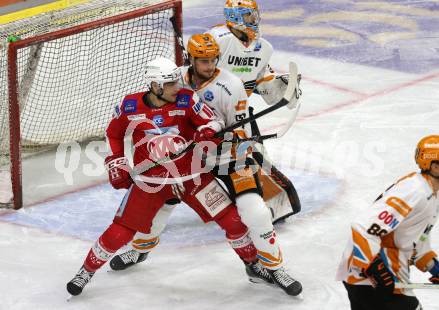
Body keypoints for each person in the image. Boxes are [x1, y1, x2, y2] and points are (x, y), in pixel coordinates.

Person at [109, 35, 302, 297]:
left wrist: (227, 139)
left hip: (227, 156)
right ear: (191, 59)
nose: (209, 65)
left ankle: (271, 267)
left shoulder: (230, 86)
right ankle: (141, 248)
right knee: (159, 205)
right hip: (188, 160)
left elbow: (242, 130)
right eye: (203, 61)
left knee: (254, 211)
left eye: (213, 60)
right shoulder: (176, 81)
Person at [66, 57, 260, 296]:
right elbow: (113, 134)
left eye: (177, 81)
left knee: (233, 221)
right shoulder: (129, 106)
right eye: (171, 84)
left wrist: (207, 131)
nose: (178, 87)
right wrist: (116, 162)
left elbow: (214, 121)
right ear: (155, 86)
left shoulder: (187, 99)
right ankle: (86, 271)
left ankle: (254, 266)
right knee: (121, 231)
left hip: (193, 177)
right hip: (151, 182)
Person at [208, 0, 301, 223]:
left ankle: (259, 206)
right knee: (193, 168)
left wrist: (283, 88)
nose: (255, 20)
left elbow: (263, 82)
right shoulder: (218, 39)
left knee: (260, 166)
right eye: (250, 16)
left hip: (240, 116)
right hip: (208, 116)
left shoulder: (262, 47)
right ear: (236, 16)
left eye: (255, 15)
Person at [336, 135, 439, 310]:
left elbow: (417, 243)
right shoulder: (415, 191)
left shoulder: (433, 196)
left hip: (380, 274)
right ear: (435, 166)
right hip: (368, 278)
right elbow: (363, 227)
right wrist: (376, 269)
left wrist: (435, 269)